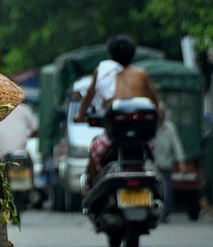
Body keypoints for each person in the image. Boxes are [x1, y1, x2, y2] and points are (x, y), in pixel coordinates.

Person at [74, 35, 158, 188]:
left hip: (113, 138)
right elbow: (155, 104)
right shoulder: (141, 75)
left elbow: (88, 99)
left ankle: (93, 186)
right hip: (143, 139)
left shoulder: (103, 71)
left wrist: (80, 116)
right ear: (132, 55)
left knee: (94, 151)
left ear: (111, 54)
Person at [154, 106, 187, 221]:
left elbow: (176, 145)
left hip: (166, 163)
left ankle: (166, 211)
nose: (160, 116)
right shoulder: (152, 126)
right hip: (153, 164)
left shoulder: (170, 128)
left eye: (162, 113)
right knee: (154, 188)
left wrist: (181, 161)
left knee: (166, 188)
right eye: (158, 113)